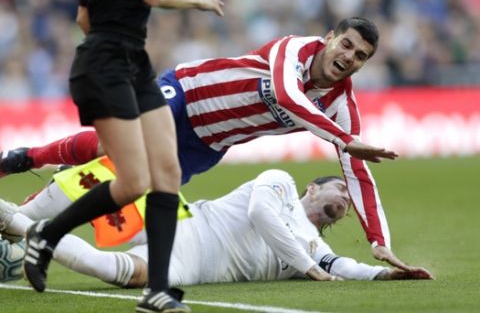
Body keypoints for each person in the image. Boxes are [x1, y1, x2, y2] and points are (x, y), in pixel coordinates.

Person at [1, 17, 409, 274]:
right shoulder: (293, 48)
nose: (350, 56)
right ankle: (25, 170)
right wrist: (345, 139)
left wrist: (379, 241)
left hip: (205, 146)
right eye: (347, 45)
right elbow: (287, 96)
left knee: (123, 181)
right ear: (329, 38)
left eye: (361, 56)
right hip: (185, 92)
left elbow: (357, 170)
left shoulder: (342, 107)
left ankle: (21, 201)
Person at [19, 0, 224, 312]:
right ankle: (48, 232)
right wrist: (198, 0)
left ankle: (157, 291)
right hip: (105, 67)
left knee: (166, 174)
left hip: (135, 66)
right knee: (133, 182)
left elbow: (83, 18)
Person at [0, 169, 434, 286]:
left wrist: (387, 273)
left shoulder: (315, 245)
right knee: (107, 182)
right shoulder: (280, 183)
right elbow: (260, 215)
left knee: (109, 271)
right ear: (313, 189)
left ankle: (11, 220)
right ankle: (45, 188)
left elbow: (345, 267)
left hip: (189, 269)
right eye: (339, 186)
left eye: (348, 196)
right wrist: (307, 266)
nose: (344, 196)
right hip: (186, 221)